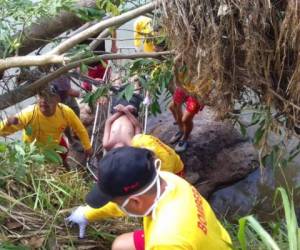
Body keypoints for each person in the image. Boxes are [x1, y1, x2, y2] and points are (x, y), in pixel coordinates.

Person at [66, 147, 232, 250]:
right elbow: (122, 203)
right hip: (213, 239)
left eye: (114, 200)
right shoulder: (166, 179)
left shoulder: (166, 241)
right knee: (120, 245)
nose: (115, 205)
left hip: (181, 241)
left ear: (136, 201)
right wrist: (87, 213)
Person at [0, 85, 92, 165]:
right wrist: (7, 122)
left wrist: (87, 146)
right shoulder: (29, 114)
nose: (44, 100)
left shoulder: (65, 112)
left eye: (49, 97)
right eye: (41, 96)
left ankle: (64, 164)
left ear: (58, 99)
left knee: (64, 153)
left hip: (54, 143)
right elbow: (2, 132)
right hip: (33, 151)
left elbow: (80, 129)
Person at [169, 66, 205, 153]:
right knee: (173, 107)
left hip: (201, 86)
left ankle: (185, 138)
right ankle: (181, 130)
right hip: (186, 80)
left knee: (186, 119)